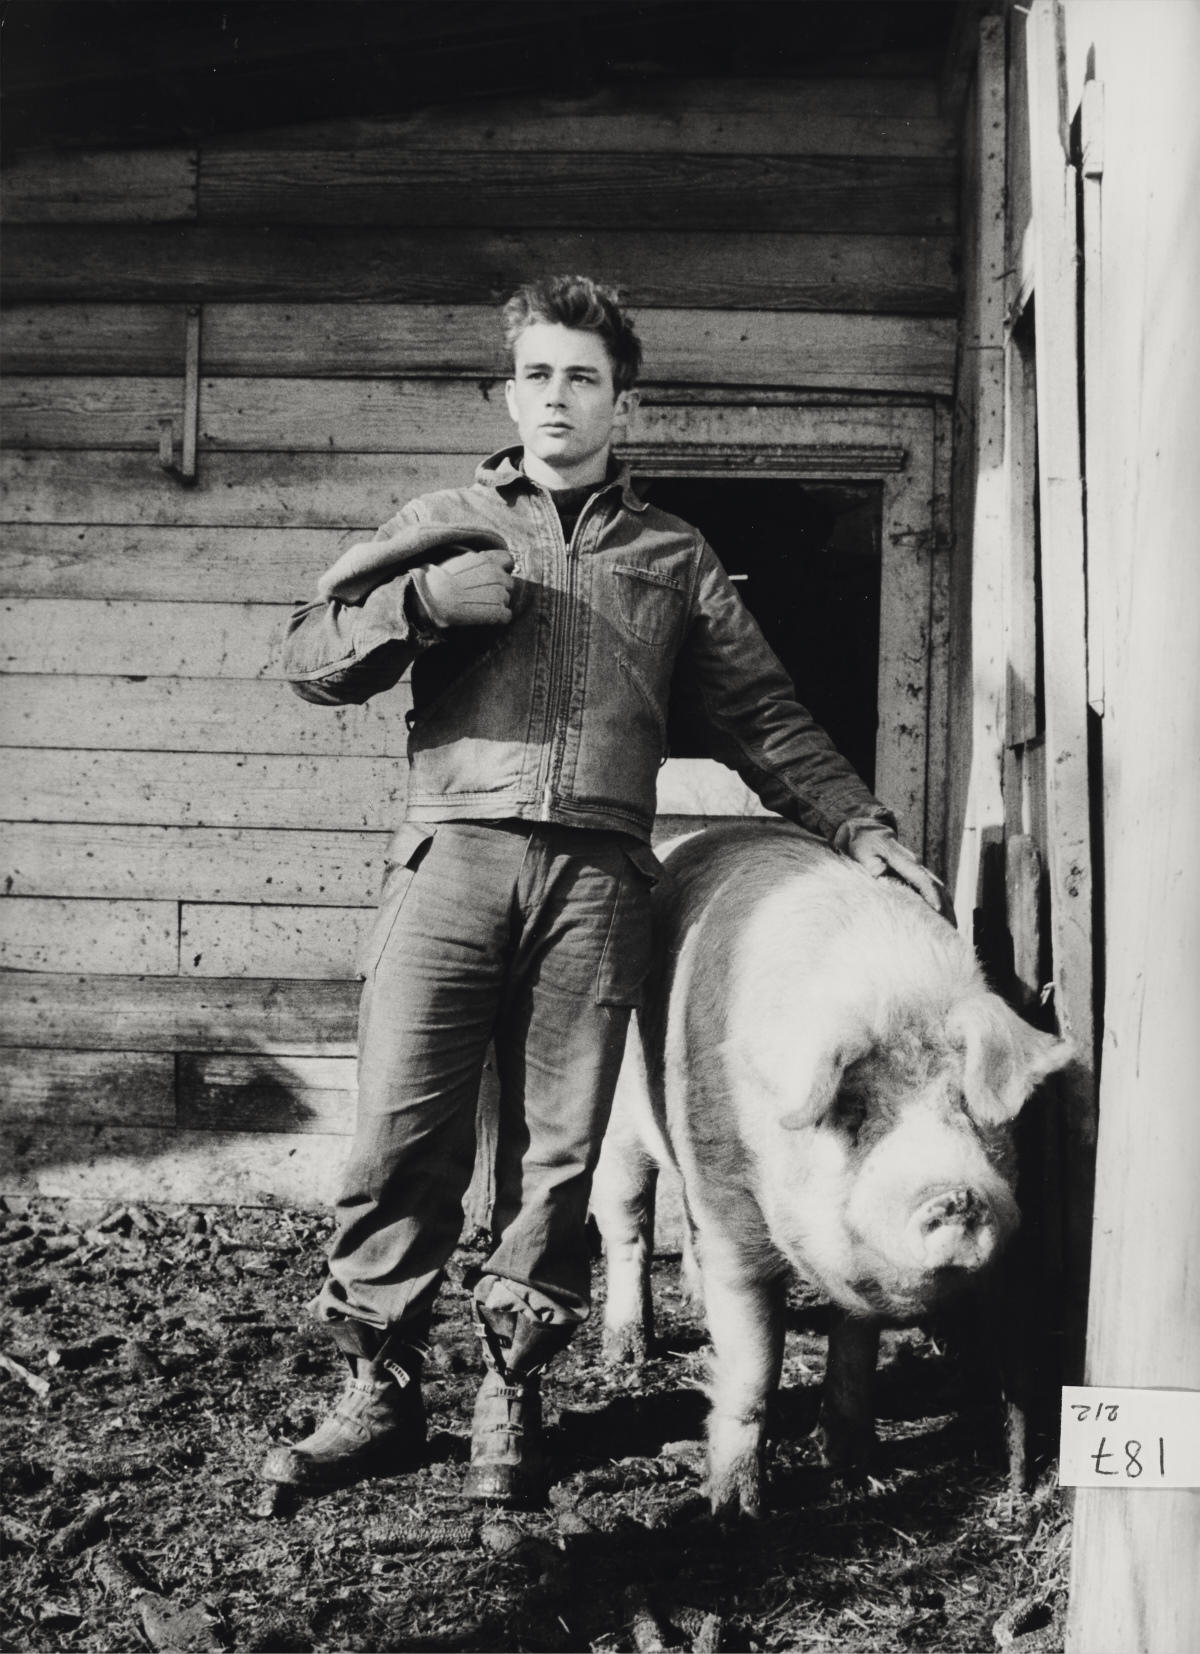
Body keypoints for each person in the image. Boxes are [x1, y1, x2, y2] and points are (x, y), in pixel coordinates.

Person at [262, 274, 946, 1506]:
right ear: (507, 391)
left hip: (597, 880)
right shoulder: (444, 518)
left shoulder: (672, 555)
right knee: (400, 1135)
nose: (559, 398)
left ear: (621, 402)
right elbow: (307, 651)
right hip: (451, 860)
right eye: (539, 374)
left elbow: (764, 715)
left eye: (584, 377)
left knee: (557, 1154)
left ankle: (507, 1396)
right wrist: (422, 602)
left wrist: (857, 823)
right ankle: (379, 1384)